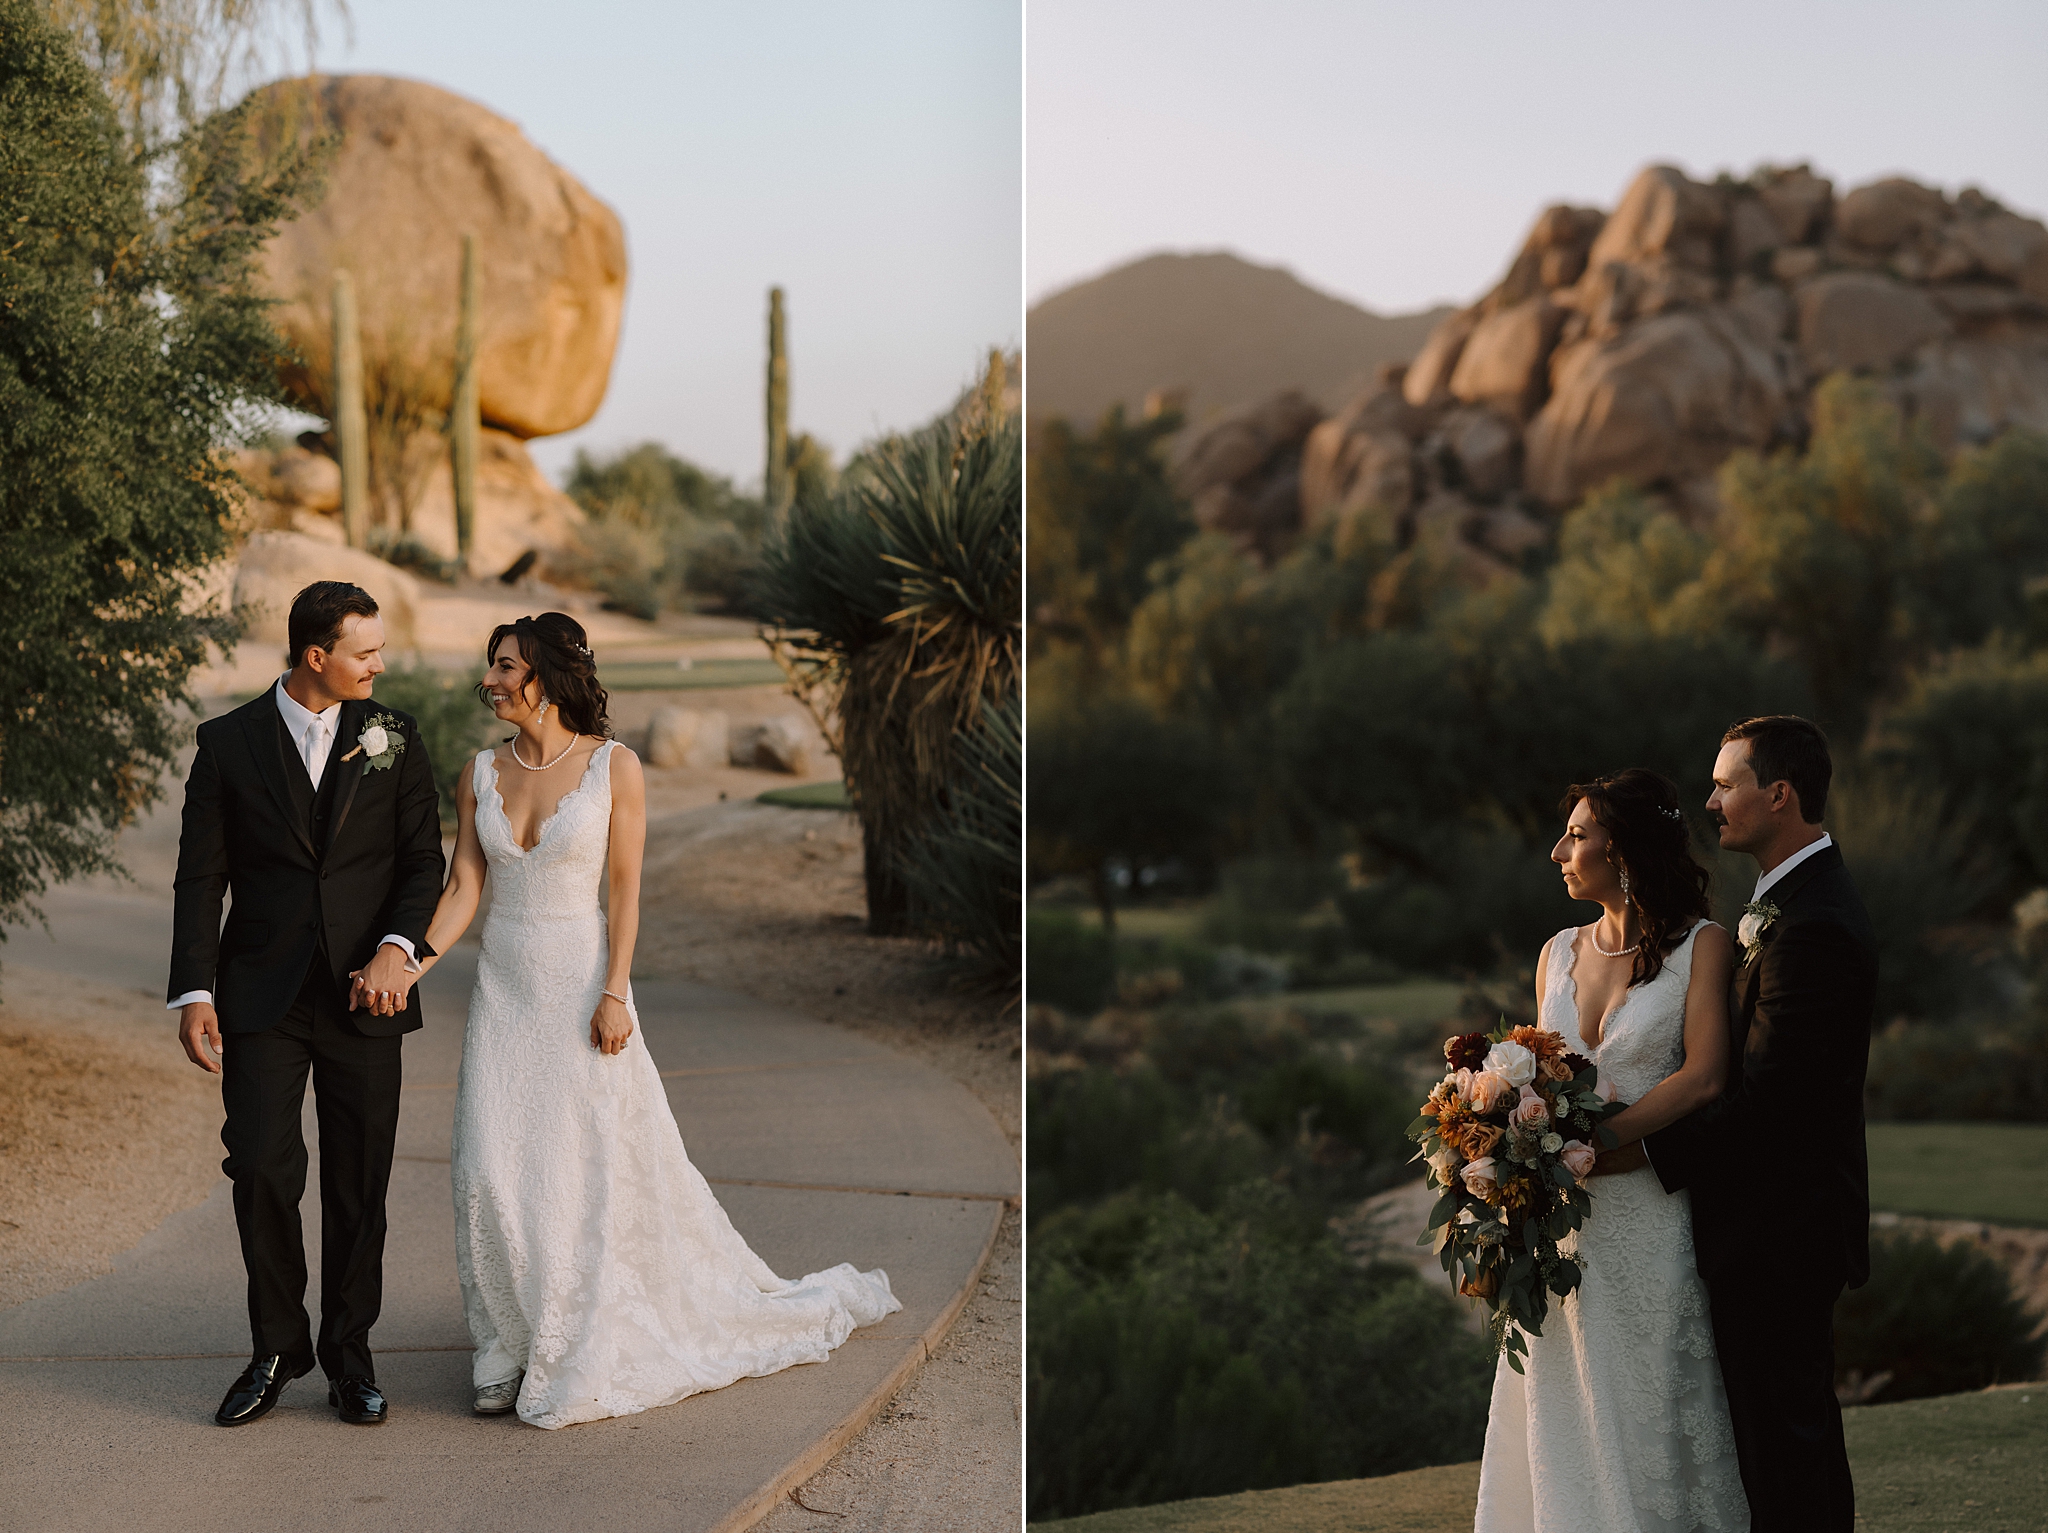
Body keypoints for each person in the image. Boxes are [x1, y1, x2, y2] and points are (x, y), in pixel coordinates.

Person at [353, 613, 900, 1428]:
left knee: (574, 1173)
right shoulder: (477, 771)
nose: (492, 680)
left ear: (544, 674)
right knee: (486, 1168)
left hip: (581, 988)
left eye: (505, 666)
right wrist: (407, 962)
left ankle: (563, 1338)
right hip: (505, 994)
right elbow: (464, 888)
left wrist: (617, 990)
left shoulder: (617, 768)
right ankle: (503, 1344)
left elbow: (625, 891)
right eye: (490, 667)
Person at [169, 581, 445, 1427]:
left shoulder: (396, 736)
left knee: (359, 1180)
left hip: (369, 994)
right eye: (366, 652)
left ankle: (349, 1356)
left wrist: (399, 951)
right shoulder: (227, 744)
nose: (381, 665)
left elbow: (421, 864)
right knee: (259, 1163)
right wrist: (194, 988)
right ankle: (277, 1347)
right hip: (263, 994)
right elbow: (200, 876)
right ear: (315, 656)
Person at [1474, 767, 1749, 1533]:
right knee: (1561, 1406)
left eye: (1578, 833)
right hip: (1562, 1226)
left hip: (1647, 1219)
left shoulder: (1704, 945)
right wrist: (1517, 1138)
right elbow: (1536, 1069)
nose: (1560, 849)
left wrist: (1592, 1142)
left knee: (1646, 1403)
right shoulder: (1555, 951)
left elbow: (1703, 1076)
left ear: (1621, 848)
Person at [1639, 717, 1875, 1533]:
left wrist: (1636, 1152)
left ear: (1778, 794)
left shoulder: (1814, 926)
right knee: (1775, 1447)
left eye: (1726, 784)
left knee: (1788, 1449)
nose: (1711, 800)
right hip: (1766, 1227)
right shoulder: (1785, 902)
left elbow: (1773, 1104)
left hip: (1785, 1231)